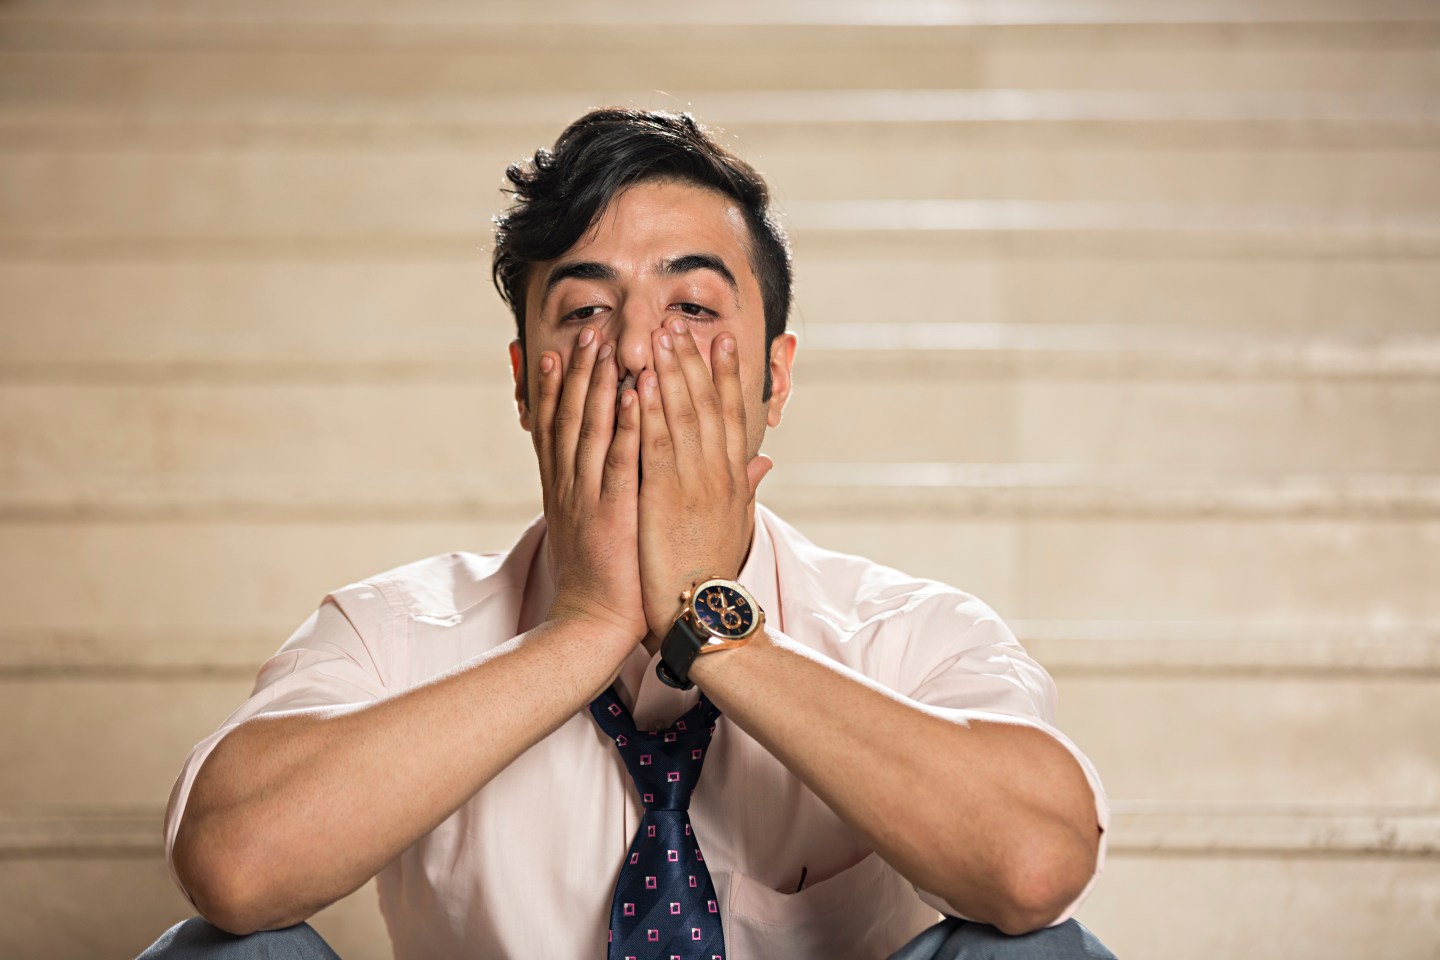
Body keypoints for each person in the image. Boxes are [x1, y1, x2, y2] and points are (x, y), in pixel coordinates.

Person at [139, 109, 1114, 960]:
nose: (640, 354)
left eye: (691, 307)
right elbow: (232, 869)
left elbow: (1035, 869)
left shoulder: (905, 634)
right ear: (525, 381)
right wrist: (587, 627)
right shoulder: (396, 629)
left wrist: (716, 628)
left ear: (774, 379)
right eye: (589, 312)